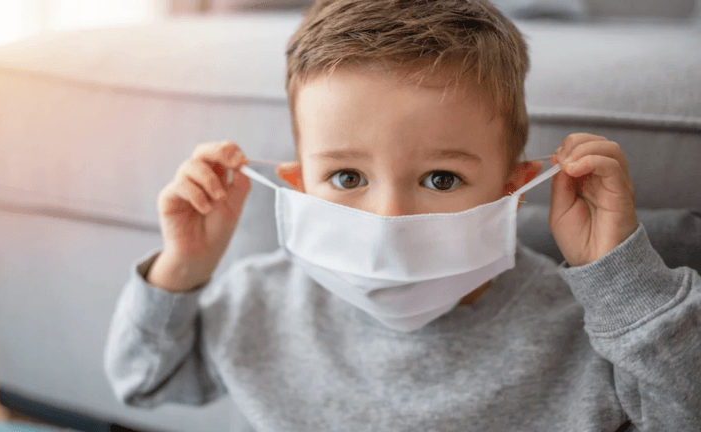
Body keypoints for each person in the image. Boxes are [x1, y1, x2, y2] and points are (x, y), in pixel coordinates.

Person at [103, 0, 701, 430]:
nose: (389, 219)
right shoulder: (259, 302)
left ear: (516, 189)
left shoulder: (586, 328)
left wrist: (623, 281)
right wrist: (182, 267)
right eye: (347, 177)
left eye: (441, 179)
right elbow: (142, 380)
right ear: (297, 185)